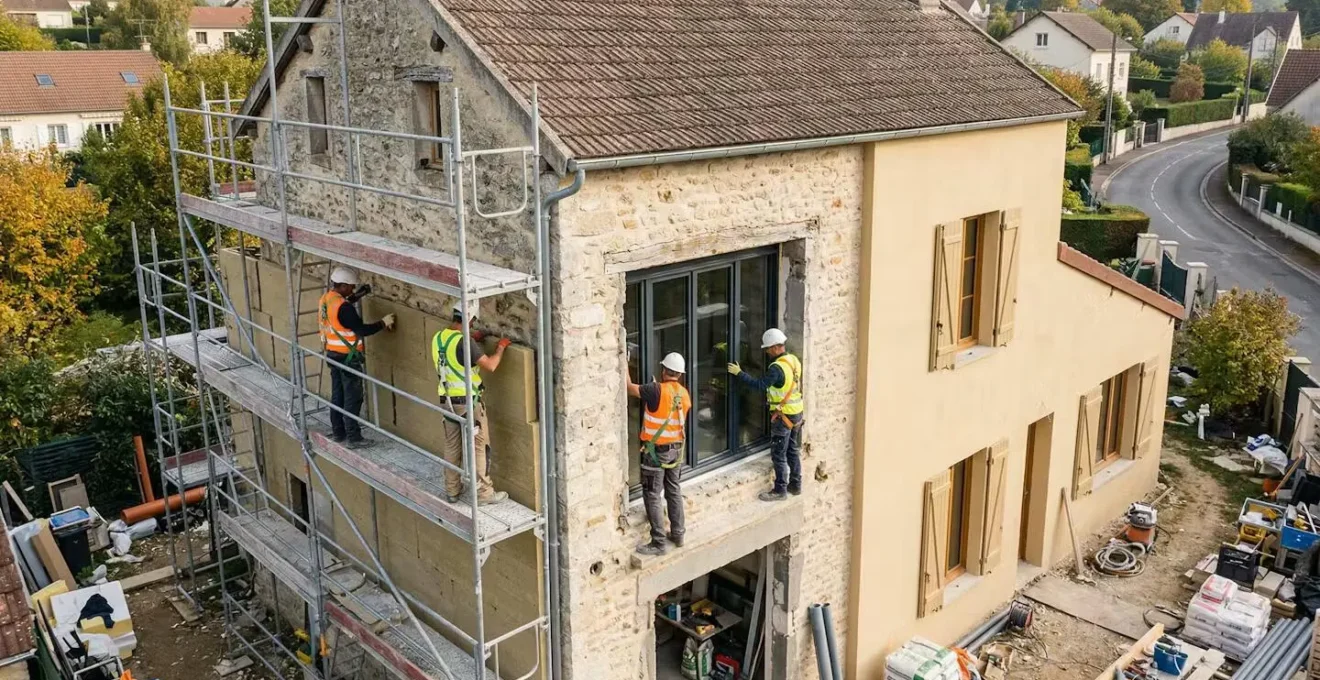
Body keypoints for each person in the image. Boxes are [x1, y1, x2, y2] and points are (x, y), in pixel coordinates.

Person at [433, 304, 511, 505]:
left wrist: (473, 342)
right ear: (469, 320)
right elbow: (491, 365)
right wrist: (501, 347)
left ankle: (452, 490)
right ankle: (484, 494)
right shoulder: (464, 342)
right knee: (479, 446)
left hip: (447, 402)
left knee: (451, 445)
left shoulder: (439, 338)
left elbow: (454, 356)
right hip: (469, 403)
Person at [320, 267, 395, 448]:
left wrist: (360, 295)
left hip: (332, 354)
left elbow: (343, 307)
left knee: (338, 396)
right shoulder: (344, 308)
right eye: (351, 287)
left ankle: (338, 433)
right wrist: (383, 323)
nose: (352, 290)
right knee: (352, 397)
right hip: (348, 358)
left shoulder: (327, 299)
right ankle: (354, 438)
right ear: (343, 285)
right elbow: (361, 329)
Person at [728, 328, 803, 501]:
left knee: (778, 454)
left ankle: (780, 490)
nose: (767, 352)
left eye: (768, 348)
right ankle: (796, 485)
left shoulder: (777, 368)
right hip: (796, 413)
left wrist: (739, 374)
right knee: (792, 450)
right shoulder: (793, 360)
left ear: (777, 347)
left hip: (783, 416)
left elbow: (759, 385)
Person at [627, 352, 691, 556]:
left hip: (656, 452)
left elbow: (630, 388)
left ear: (664, 370)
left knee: (652, 494)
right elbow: (668, 409)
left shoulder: (655, 390)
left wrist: (623, 362)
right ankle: (678, 534)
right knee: (673, 490)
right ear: (679, 375)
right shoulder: (683, 393)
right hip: (676, 451)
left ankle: (658, 542)